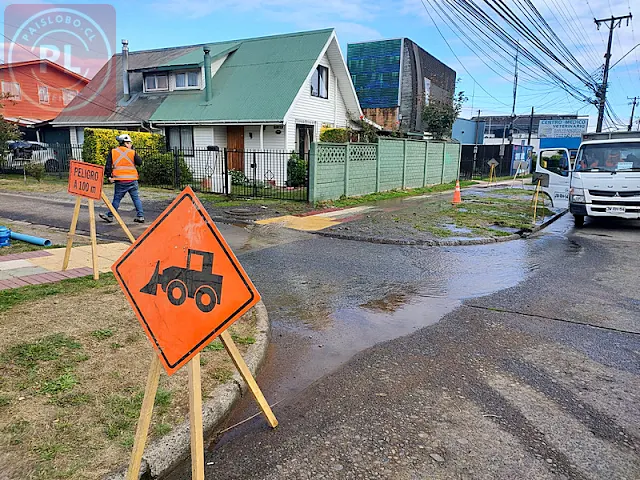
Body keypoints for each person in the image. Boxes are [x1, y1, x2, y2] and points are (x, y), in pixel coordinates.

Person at [99, 134, 144, 223]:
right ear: (125, 143)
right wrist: (132, 152)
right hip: (132, 180)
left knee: (117, 199)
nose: (131, 144)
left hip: (120, 181)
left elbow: (108, 166)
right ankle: (141, 216)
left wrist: (109, 176)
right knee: (136, 198)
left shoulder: (113, 152)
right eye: (129, 143)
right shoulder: (132, 152)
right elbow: (140, 162)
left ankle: (110, 216)